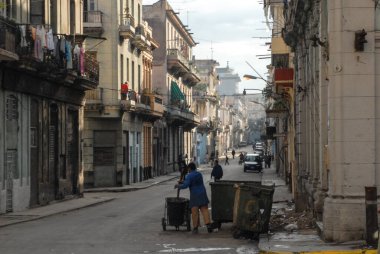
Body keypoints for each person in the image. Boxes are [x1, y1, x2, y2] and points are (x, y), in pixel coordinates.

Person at [175, 162, 213, 234]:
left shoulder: (189, 176)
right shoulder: (199, 174)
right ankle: (208, 225)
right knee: (204, 210)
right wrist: (184, 181)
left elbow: (186, 185)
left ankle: (195, 228)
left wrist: (178, 186)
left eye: (188, 168)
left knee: (194, 211)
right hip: (202, 193)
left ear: (189, 168)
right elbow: (192, 182)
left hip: (195, 195)